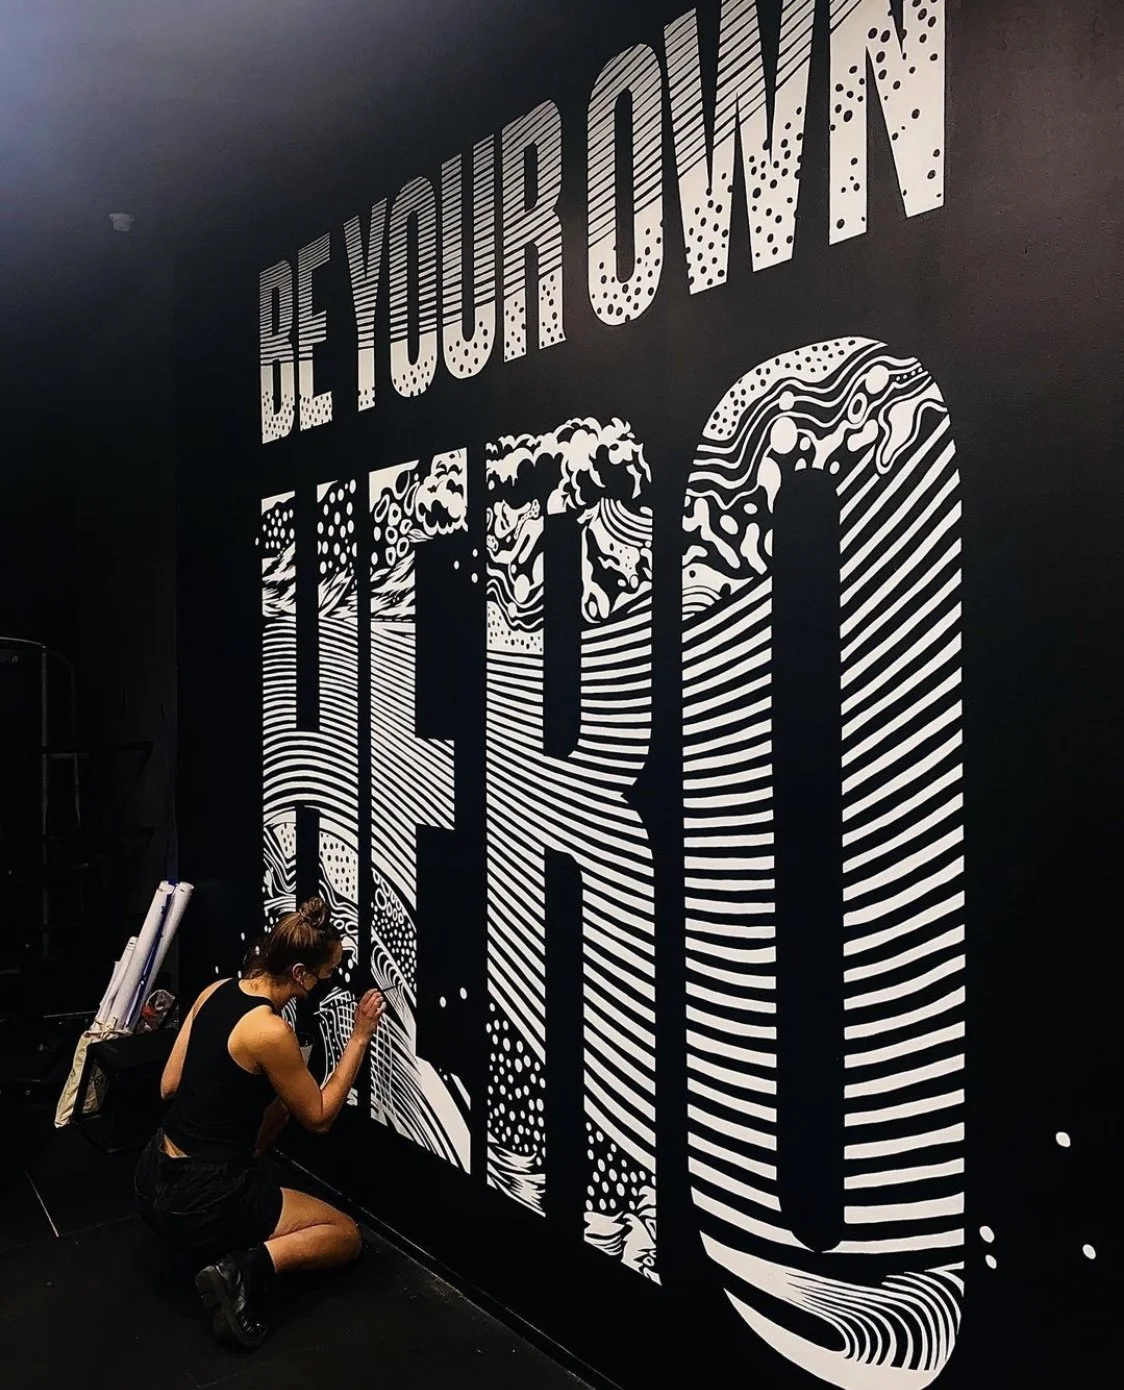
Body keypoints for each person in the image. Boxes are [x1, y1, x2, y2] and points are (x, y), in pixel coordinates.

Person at [133, 896, 385, 1349]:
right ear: (299, 974)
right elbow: (320, 1118)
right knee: (345, 1235)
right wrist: (360, 1037)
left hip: (152, 1174)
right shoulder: (270, 1030)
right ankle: (243, 1270)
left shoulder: (215, 990)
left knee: (275, 1112)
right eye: (325, 976)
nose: (326, 984)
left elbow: (169, 1085)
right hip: (201, 1197)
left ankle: (213, 1234)